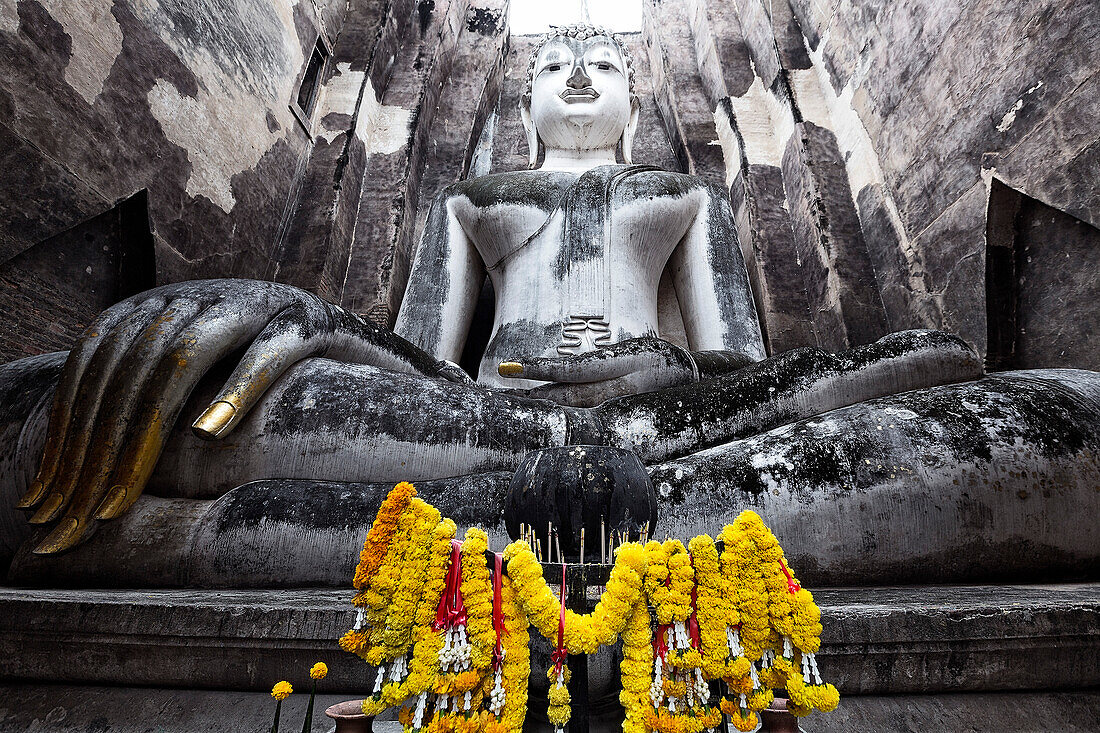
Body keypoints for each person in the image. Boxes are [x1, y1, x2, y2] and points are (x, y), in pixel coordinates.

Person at [1, 26, 1095, 588]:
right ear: (523, 95)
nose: (576, 75)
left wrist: (723, 393)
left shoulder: (680, 193)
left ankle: (230, 538)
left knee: (1055, 411)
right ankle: (637, 519)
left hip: (672, 419)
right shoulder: (474, 197)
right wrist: (304, 315)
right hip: (476, 417)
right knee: (53, 406)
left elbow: (733, 357)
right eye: (555, 62)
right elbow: (414, 357)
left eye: (598, 62)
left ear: (631, 95)